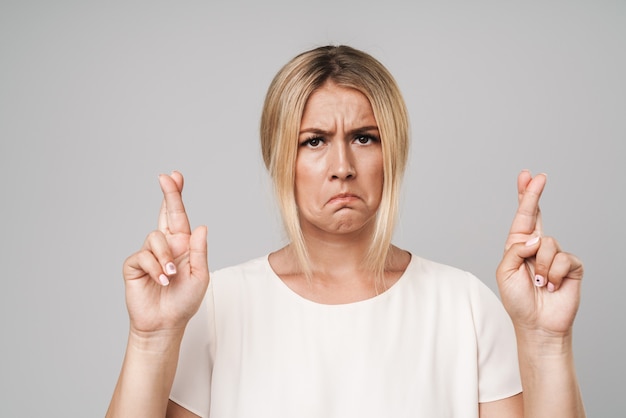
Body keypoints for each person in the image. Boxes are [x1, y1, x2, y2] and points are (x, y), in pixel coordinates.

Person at [106, 45, 585, 418]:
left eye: (364, 138)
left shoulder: (463, 305)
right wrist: (152, 338)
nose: (342, 166)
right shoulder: (217, 305)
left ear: (392, 152)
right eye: (314, 141)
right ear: (280, 160)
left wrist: (546, 341)